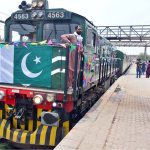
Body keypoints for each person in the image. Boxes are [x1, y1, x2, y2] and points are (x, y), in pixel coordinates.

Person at [61, 25, 83, 92]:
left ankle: (74, 85)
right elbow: (62, 36)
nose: (80, 30)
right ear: (76, 29)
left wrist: (82, 50)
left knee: (76, 71)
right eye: (79, 29)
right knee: (70, 71)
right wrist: (69, 42)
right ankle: (70, 86)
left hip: (78, 56)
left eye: (81, 29)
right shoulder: (72, 36)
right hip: (72, 56)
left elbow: (81, 46)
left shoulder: (80, 38)